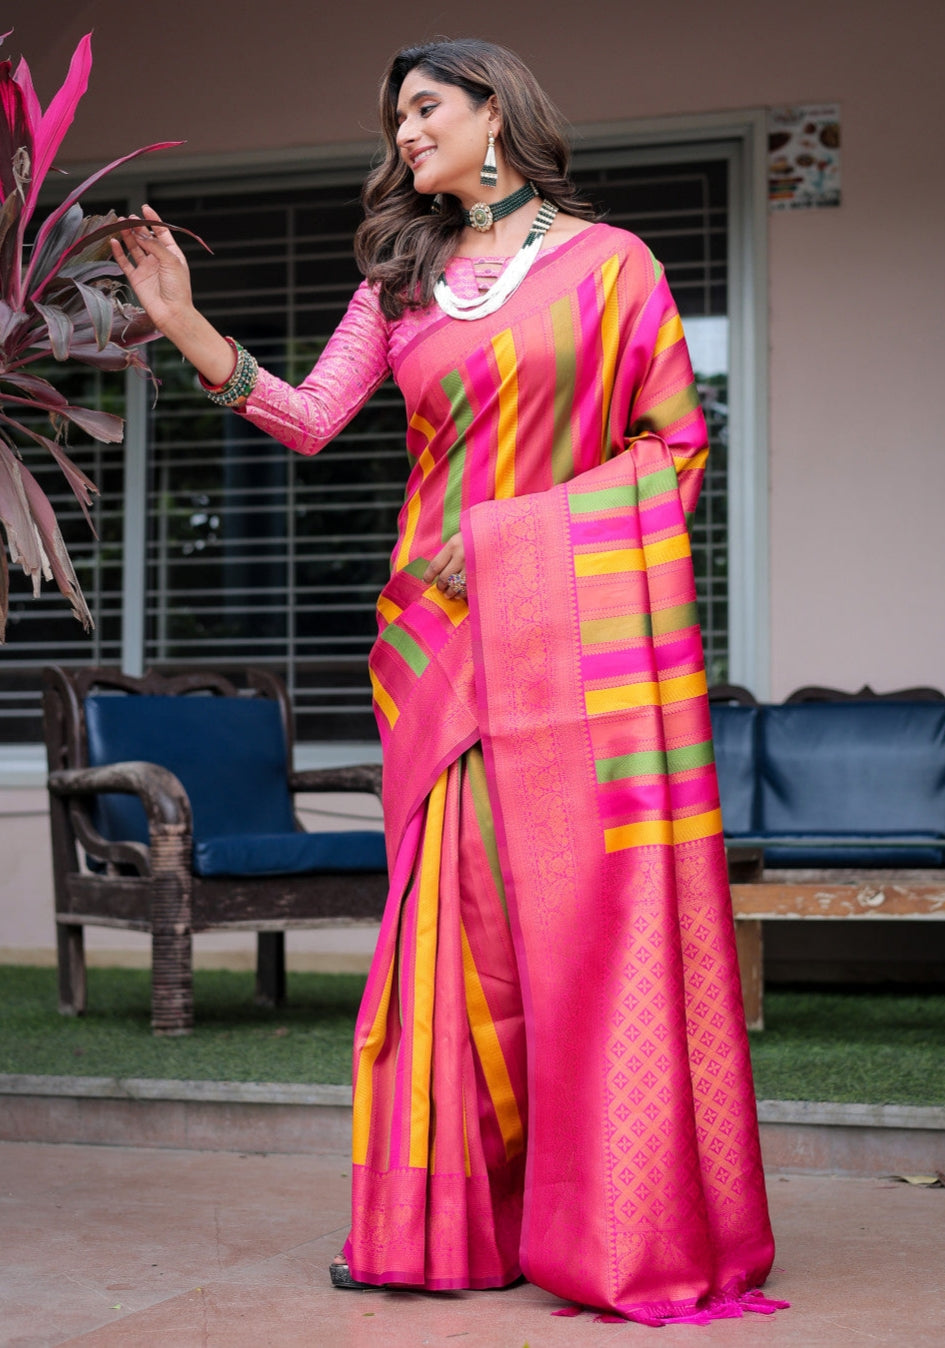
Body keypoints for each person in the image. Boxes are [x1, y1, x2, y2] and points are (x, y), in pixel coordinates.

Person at [113, 38, 786, 1326]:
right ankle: (436, 1229)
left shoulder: (614, 269)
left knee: (582, 925)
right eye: (397, 117)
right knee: (456, 926)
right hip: (436, 642)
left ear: (498, 112)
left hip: (568, 641)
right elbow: (312, 417)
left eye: (427, 109)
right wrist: (187, 320)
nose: (406, 133)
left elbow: (674, 450)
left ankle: (606, 1219)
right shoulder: (401, 280)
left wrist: (514, 548)